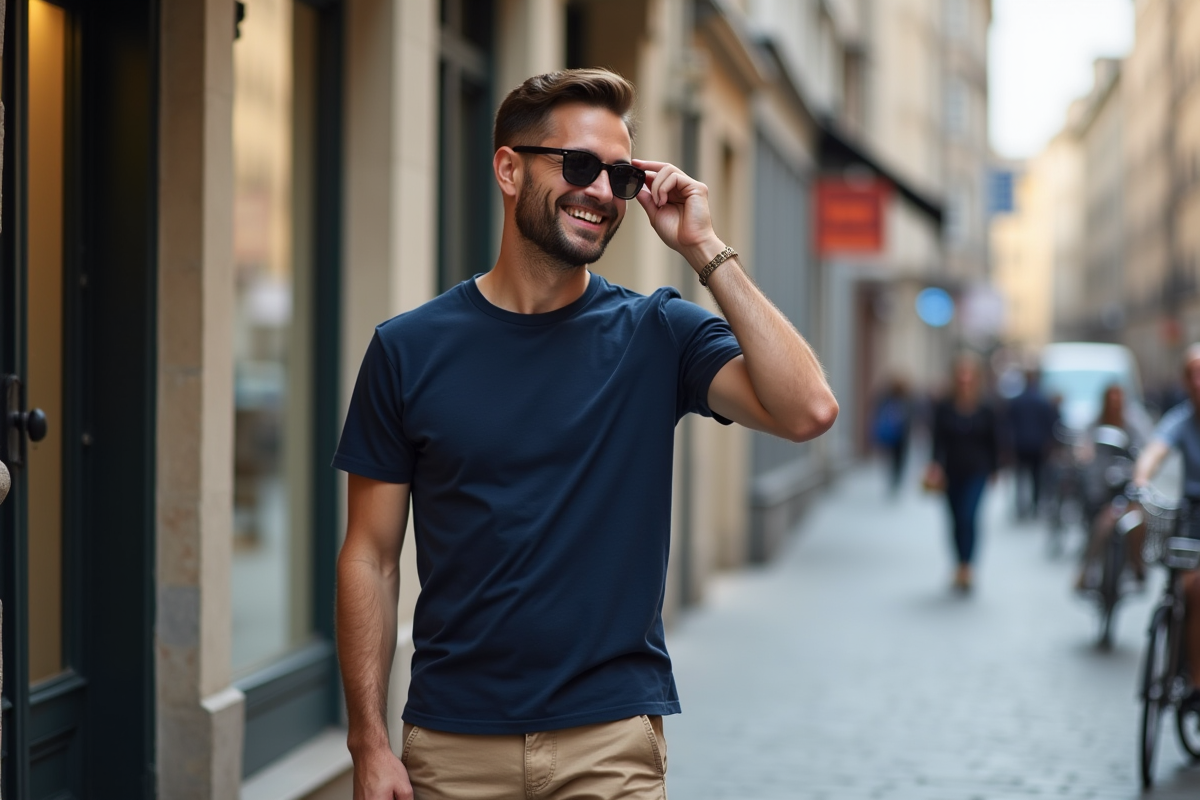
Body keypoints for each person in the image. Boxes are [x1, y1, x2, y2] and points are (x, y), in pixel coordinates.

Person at [332, 68, 838, 800]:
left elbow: (808, 411)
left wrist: (705, 249)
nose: (601, 192)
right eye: (578, 166)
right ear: (509, 169)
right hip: (454, 745)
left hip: (610, 744)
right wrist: (367, 743)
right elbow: (371, 557)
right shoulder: (408, 349)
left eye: (621, 176)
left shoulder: (659, 332)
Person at [1132, 345, 1200, 711]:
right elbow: (1155, 450)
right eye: (1193, 375)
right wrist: (1141, 480)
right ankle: (1195, 681)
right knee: (1191, 585)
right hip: (1192, 513)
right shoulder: (1182, 419)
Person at [927, 353, 1002, 592]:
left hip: (977, 471)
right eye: (961, 374)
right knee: (955, 519)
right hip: (951, 471)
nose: (965, 379)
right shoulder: (945, 406)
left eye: (969, 375)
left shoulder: (986, 407)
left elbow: (995, 441)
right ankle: (958, 563)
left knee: (969, 516)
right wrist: (935, 465)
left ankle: (968, 566)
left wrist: (995, 469)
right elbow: (937, 440)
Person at [1074, 384, 1152, 591]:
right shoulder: (1095, 424)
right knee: (1103, 524)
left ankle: (1137, 565)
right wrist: (1084, 455)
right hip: (1102, 490)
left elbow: (1147, 450)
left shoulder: (1133, 424)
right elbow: (1083, 446)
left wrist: (1139, 473)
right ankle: (1087, 568)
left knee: (1138, 522)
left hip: (1128, 489)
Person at [1006, 369, 1059, 519]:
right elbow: (1050, 424)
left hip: (1021, 445)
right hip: (1037, 445)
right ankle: (1034, 504)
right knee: (1036, 477)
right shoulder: (1042, 401)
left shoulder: (1017, 401)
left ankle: (1021, 506)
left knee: (1021, 477)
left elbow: (1009, 424)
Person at [873, 376, 913, 495]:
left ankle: (894, 479)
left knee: (894, 459)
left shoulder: (889, 399)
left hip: (897, 436)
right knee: (898, 459)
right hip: (899, 436)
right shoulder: (903, 400)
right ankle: (896, 479)